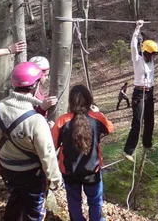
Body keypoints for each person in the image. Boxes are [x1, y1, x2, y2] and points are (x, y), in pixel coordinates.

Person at [0, 61, 62, 221]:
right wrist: (55, 180)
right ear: (35, 85)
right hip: (31, 175)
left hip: (7, 169)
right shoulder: (36, 120)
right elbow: (47, 155)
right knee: (33, 210)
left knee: (16, 197)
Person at [51, 84, 114, 221]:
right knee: (95, 201)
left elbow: (53, 144)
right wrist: (98, 112)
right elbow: (110, 128)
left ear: (71, 102)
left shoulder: (62, 120)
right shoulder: (97, 118)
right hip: (92, 170)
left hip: (69, 170)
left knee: (74, 201)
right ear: (88, 100)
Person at [122, 19, 158, 162]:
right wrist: (137, 29)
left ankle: (147, 144)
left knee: (150, 120)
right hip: (138, 94)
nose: (154, 56)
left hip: (149, 92)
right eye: (152, 54)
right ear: (146, 52)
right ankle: (128, 151)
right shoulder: (138, 59)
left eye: (155, 54)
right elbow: (134, 46)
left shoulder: (151, 60)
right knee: (137, 122)